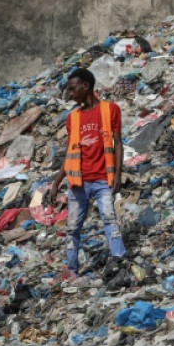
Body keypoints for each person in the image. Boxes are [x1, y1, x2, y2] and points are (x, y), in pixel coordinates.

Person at [48, 68, 126, 277]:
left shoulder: (110, 110)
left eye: (73, 89)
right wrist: (56, 182)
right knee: (72, 228)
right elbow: (69, 152)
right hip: (78, 183)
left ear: (86, 86)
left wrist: (118, 173)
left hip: (103, 179)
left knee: (110, 220)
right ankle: (72, 270)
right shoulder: (72, 118)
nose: (71, 94)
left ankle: (119, 260)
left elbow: (118, 143)